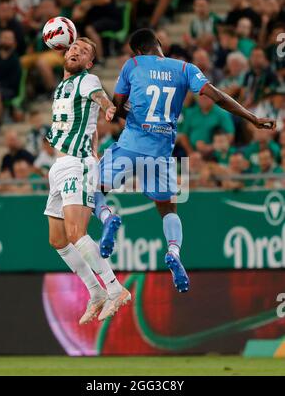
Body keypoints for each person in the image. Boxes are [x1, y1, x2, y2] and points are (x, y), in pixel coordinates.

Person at [99, 28, 275, 294]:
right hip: (161, 153)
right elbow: (217, 96)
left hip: (131, 145)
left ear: (136, 51)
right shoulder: (184, 68)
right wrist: (252, 118)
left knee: (92, 189)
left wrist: (131, 113)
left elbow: (117, 108)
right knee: (168, 210)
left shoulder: (132, 64)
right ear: (158, 44)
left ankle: (108, 216)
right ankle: (173, 251)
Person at [44, 37, 130, 325]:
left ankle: (115, 289)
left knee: (76, 233)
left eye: (83, 52)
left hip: (77, 165)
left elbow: (99, 98)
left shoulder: (87, 80)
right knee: (57, 240)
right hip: (59, 166)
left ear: (89, 63)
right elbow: (89, 123)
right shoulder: (62, 86)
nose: (76, 51)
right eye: (73, 48)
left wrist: (108, 106)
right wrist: (94, 141)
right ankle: (95, 292)